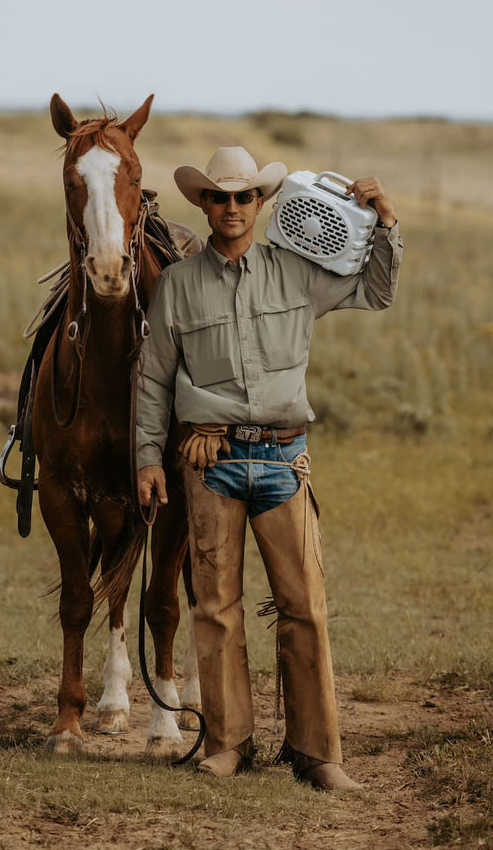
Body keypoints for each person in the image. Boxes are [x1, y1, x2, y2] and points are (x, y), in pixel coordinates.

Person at [136, 146, 403, 788]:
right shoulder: (178, 286)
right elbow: (153, 381)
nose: (231, 207)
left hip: (285, 458)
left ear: (261, 202)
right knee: (216, 607)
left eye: (244, 197)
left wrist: (387, 224)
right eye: (219, 197)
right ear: (203, 204)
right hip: (211, 460)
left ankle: (319, 756)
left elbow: (376, 289)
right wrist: (148, 457)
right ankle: (227, 746)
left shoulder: (298, 273)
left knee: (305, 605)